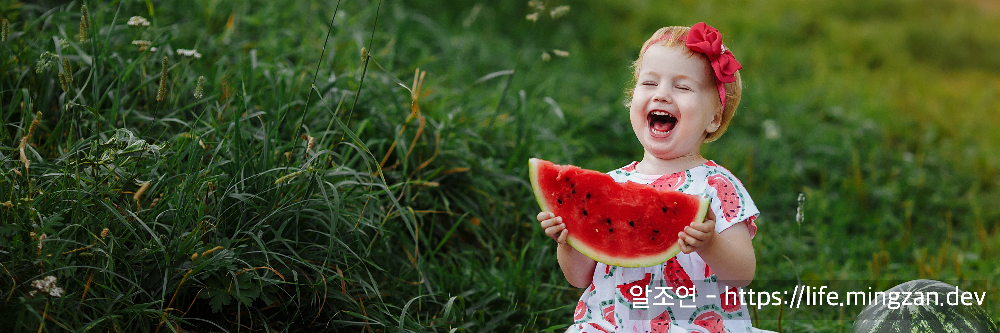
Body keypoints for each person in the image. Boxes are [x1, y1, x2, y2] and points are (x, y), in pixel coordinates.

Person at [538, 23, 762, 333]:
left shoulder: (718, 185)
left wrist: (709, 244)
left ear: (713, 117)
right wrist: (569, 239)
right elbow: (578, 277)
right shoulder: (611, 186)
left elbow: (743, 273)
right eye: (649, 83)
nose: (662, 95)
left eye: (682, 87)